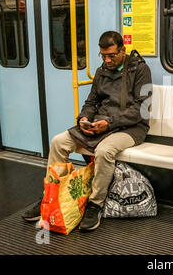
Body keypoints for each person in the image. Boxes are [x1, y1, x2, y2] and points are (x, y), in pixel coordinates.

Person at [22, 31, 152, 231]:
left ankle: (95, 204)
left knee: (104, 151)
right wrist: (84, 118)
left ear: (122, 51)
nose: (107, 60)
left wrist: (109, 123)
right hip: (100, 124)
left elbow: (141, 109)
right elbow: (91, 102)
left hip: (131, 127)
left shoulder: (140, 70)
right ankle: (50, 194)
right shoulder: (101, 71)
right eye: (103, 56)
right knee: (58, 141)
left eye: (111, 56)